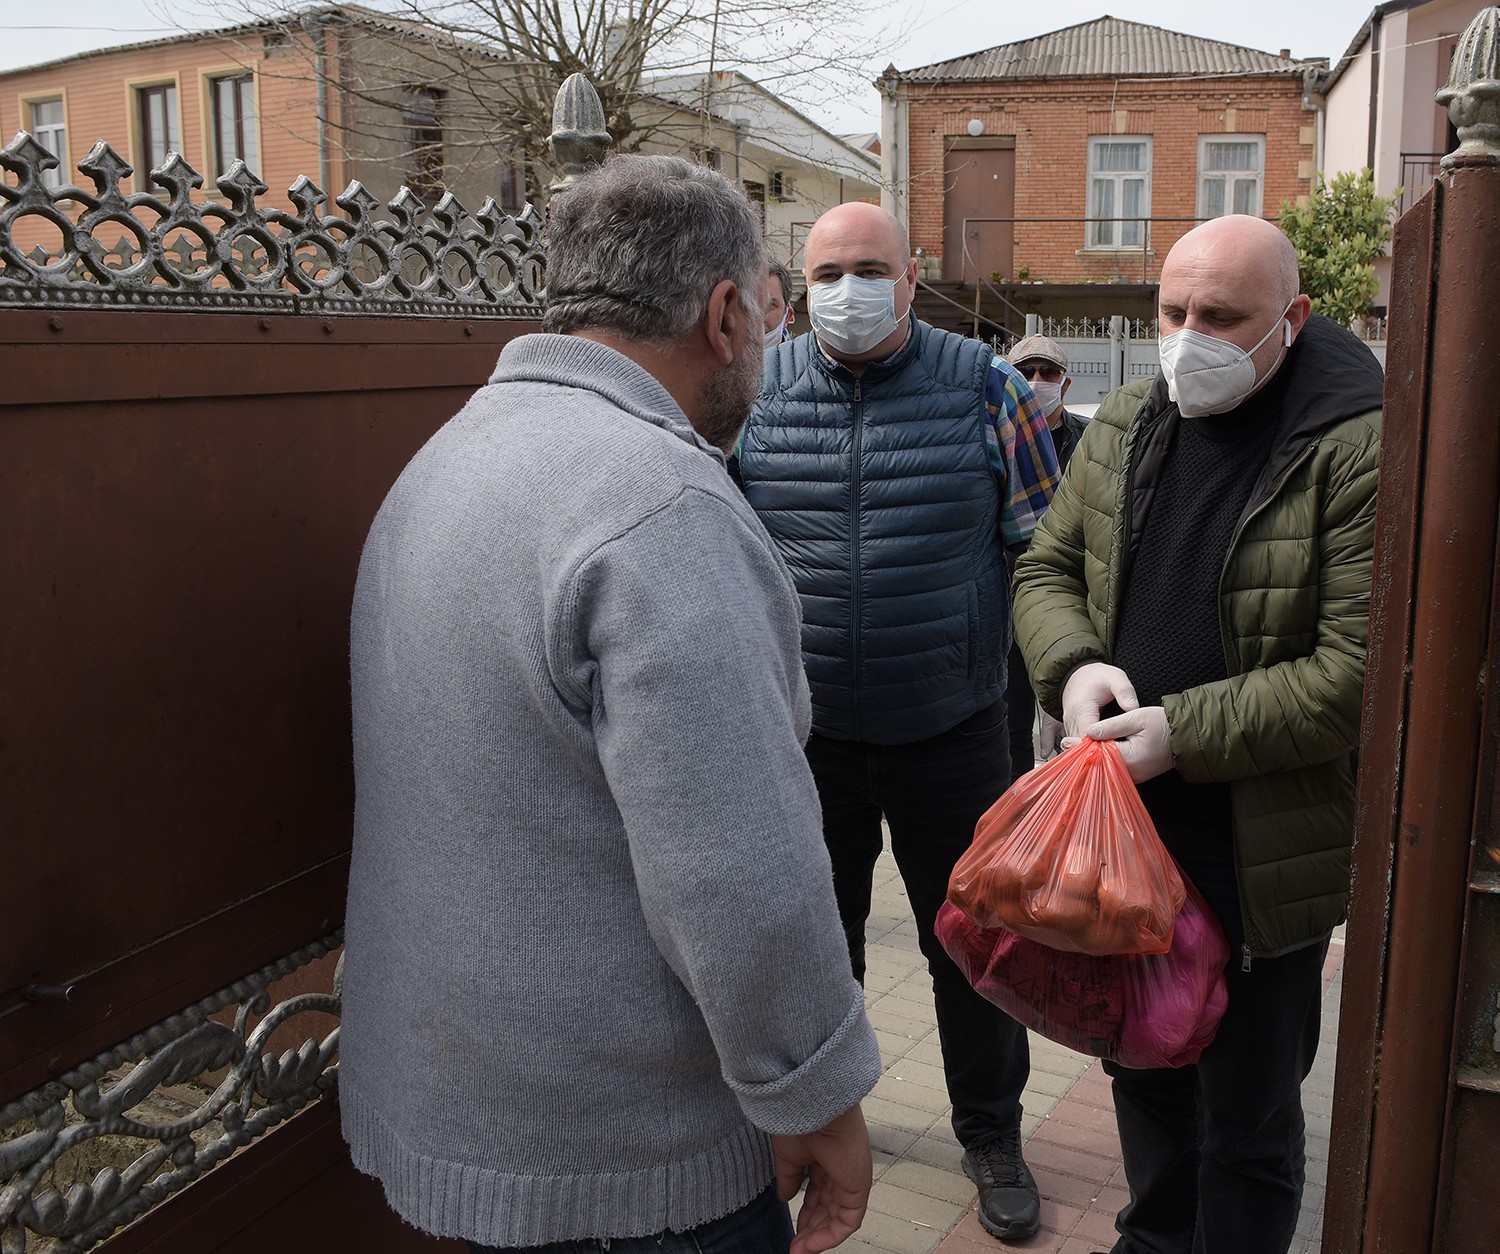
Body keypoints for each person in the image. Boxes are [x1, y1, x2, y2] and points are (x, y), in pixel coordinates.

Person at [339, 155, 883, 1254]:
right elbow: (736, 869)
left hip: (458, 1111)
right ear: (726, 315)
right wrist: (818, 1099)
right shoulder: (661, 506)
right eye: (771, 318)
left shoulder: (440, 463)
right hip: (631, 1167)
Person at [1012, 214, 1383, 1254]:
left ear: (1294, 320)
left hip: (1259, 855)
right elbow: (1045, 570)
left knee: (1251, 1121)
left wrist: (1183, 733)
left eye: (1222, 317)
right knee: (1145, 1073)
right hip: (1128, 837)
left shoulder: (1355, 448)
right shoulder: (1129, 419)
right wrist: (1073, 666)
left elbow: (1353, 675)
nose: (1189, 337)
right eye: (1172, 311)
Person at [736, 201, 1061, 1242]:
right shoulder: (756, 392)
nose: (845, 289)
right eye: (825, 271)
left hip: (951, 728)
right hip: (807, 740)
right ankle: (812, 1127)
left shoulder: (988, 387)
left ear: (912, 277)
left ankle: (993, 1133)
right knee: (814, 953)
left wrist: (1053, 692)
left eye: (867, 267)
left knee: (973, 948)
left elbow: (1046, 553)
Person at [1000, 333, 1089, 783]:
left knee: (1076, 724)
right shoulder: (995, 442)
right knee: (1011, 727)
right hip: (1009, 602)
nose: (1036, 381)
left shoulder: (1093, 444)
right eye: (1025, 372)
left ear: (1066, 384)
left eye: (1048, 373)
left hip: (1076, 604)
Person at [764, 258, 796, 345]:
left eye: (769, 305)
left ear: (787, 316)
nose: (757, 314)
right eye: (748, 303)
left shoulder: (803, 358)